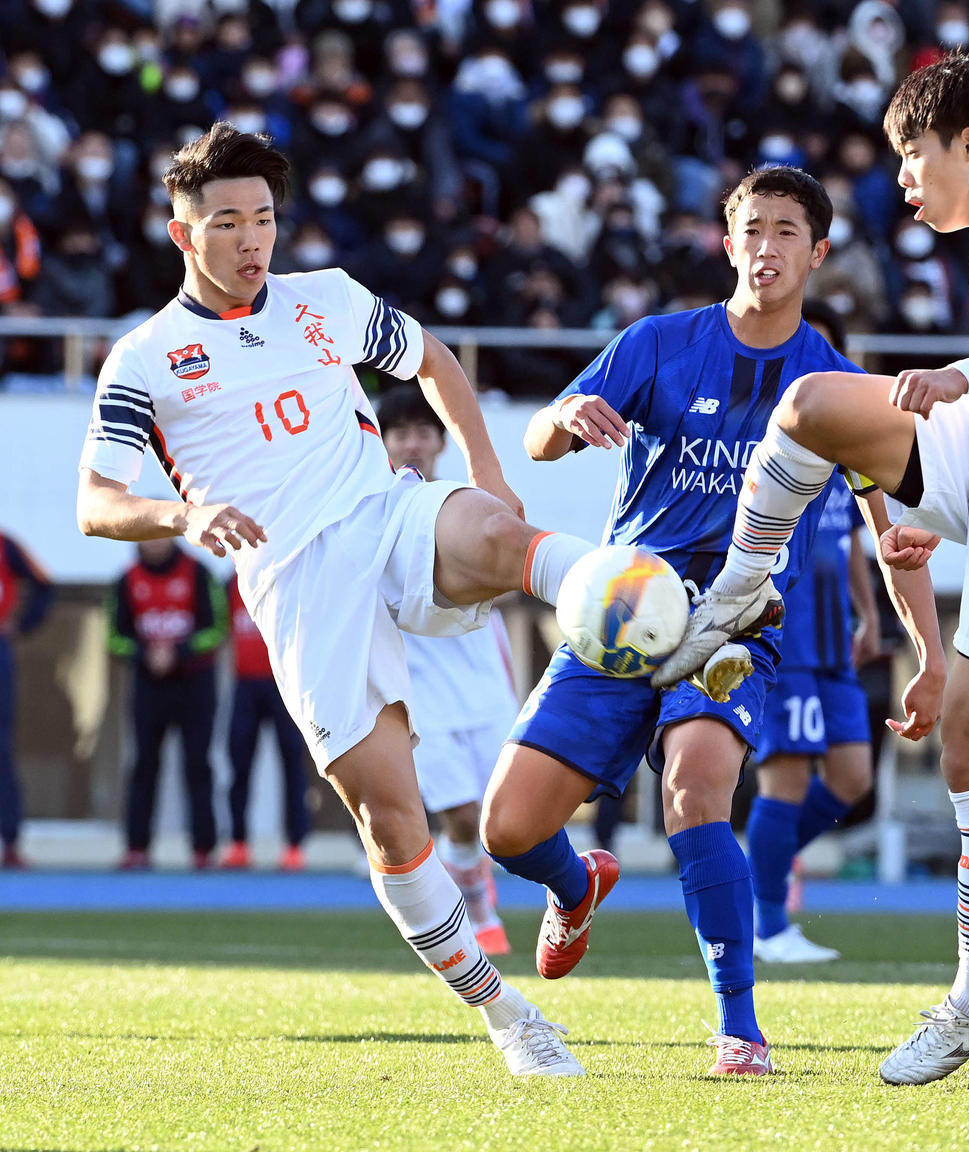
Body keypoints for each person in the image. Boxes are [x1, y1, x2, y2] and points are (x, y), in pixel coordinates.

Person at [653, 53, 969, 1086]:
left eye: (912, 156)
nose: (904, 180)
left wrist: (955, 380)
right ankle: (738, 593)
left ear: (967, 144)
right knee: (810, 408)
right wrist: (948, 500)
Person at [76, 123, 596, 1077]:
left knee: (491, 535)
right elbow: (94, 504)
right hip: (297, 586)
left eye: (264, 218)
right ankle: (508, 1018)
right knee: (393, 826)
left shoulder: (327, 300)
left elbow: (434, 360)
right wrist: (178, 517)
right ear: (180, 234)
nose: (251, 240)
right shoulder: (145, 358)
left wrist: (486, 468)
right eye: (226, 222)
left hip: (378, 512)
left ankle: (619, 598)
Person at [479, 165, 945, 1076]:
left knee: (696, 788)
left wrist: (927, 654)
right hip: (622, 610)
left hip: (737, 620)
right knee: (507, 830)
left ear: (817, 252)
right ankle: (576, 887)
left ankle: (741, 1027)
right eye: (752, 230)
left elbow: (893, 537)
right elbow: (535, 440)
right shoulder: (656, 343)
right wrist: (563, 414)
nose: (766, 247)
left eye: (786, 232)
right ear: (728, 245)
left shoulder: (838, 386)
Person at [747, 302, 878, 965]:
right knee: (787, 779)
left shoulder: (851, 439)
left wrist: (871, 610)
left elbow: (854, 533)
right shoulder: (765, 435)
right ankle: (769, 925)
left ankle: (758, 868)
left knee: (853, 779)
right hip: (784, 626)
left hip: (834, 631)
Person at [376, 383, 517, 957]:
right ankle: (475, 902)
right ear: (383, 442)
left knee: (503, 819)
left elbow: (507, 578)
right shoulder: (372, 509)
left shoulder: (466, 503)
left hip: (482, 680)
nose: (413, 443)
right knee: (459, 813)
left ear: (440, 441)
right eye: (401, 433)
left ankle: (477, 878)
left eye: (423, 433)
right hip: (421, 691)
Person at [108, 537, 224, 870]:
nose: (155, 542)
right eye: (148, 534)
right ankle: (136, 849)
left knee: (197, 765)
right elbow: (114, 637)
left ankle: (203, 850)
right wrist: (147, 655)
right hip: (148, 687)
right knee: (144, 765)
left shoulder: (199, 573)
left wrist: (178, 652)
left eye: (160, 533)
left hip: (195, 686)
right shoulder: (125, 580)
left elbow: (216, 628)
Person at [220, 573, 312, 871]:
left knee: (292, 765)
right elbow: (215, 629)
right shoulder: (229, 584)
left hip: (284, 685)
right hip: (245, 685)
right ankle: (237, 843)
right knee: (239, 766)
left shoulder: (287, 577)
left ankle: (295, 846)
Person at [0, 531, 53, 869]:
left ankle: (11, 844)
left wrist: (22, 624)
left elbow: (44, 585)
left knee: (1, 751)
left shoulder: (6, 545)